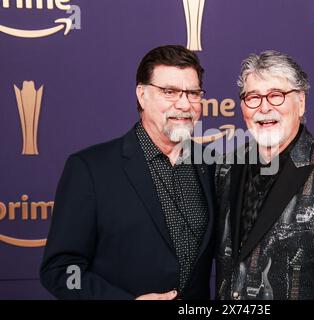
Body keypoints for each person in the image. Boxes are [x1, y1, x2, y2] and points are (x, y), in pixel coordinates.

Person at [40, 45, 215, 300]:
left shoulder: (210, 166)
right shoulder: (90, 169)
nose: (184, 104)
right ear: (142, 95)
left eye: (193, 93)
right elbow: (62, 270)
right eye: (170, 92)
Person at [215, 50, 314, 300]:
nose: (264, 108)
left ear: (300, 102)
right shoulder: (226, 167)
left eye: (276, 96)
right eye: (253, 97)